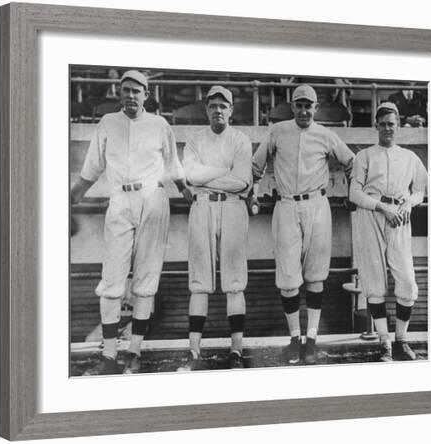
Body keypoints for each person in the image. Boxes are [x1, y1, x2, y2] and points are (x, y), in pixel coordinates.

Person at [71, 70, 192, 375]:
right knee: (112, 280)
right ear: (119, 93)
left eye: (136, 91)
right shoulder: (108, 123)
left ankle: (134, 351)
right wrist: (69, 198)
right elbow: (90, 170)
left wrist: (190, 193)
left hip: (152, 198)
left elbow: (175, 168)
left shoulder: (159, 124)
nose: (131, 96)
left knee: (146, 280)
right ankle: (110, 355)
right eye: (126, 90)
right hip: (119, 201)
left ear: (146, 95)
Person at [252, 84, 355, 365]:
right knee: (287, 276)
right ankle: (295, 338)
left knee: (315, 274)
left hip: (317, 206)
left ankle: (312, 339)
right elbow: (255, 165)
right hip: (286, 205)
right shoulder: (277, 131)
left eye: (309, 105)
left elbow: (351, 162)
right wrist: (253, 193)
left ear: (316, 108)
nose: (304, 110)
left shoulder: (325, 135)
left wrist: (352, 193)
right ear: (292, 106)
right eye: (299, 105)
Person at [178, 85, 252, 371]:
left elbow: (243, 182)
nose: (218, 110)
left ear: (231, 110)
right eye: (213, 106)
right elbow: (190, 176)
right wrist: (225, 173)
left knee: (234, 280)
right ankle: (194, 350)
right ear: (206, 109)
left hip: (233, 207)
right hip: (203, 206)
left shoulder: (241, 140)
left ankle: (236, 349)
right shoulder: (195, 140)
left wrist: (205, 178)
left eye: (223, 106)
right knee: (199, 280)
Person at [349, 102, 427, 362]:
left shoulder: (409, 157)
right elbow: (355, 193)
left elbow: (420, 190)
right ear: (376, 126)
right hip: (372, 214)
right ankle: (384, 342)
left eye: (391, 124)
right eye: (382, 124)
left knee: (406, 280)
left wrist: (408, 203)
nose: (387, 129)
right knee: (374, 281)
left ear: (398, 126)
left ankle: (401, 340)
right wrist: (382, 207)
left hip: (400, 218)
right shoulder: (365, 155)